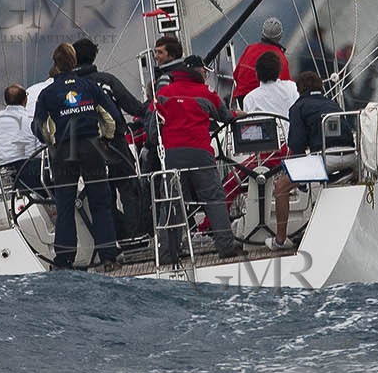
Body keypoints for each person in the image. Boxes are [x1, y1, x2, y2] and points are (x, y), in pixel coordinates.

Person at [33, 42, 123, 270]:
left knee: (64, 205)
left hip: (64, 152)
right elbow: (111, 118)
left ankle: (64, 260)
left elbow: (39, 127)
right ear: (74, 63)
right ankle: (109, 257)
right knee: (100, 203)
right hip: (92, 148)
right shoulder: (90, 86)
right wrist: (106, 140)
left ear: (56, 64)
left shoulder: (47, 93)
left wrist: (52, 143)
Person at [150, 54, 238, 262]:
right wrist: (237, 115)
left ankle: (166, 256)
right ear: (198, 71)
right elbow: (225, 116)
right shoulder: (205, 93)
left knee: (172, 204)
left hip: (172, 156)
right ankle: (226, 249)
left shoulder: (163, 93)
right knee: (214, 200)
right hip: (200, 154)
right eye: (205, 72)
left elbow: (152, 128)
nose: (206, 75)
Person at [72, 37, 148, 240]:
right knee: (128, 188)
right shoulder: (107, 80)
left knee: (101, 195)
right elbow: (134, 107)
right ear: (94, 56)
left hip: (86, 149)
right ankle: (136, 236)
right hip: (115, 144)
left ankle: (114, 238)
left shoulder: (69, 88)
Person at [268, 72, 348, 250]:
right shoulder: (333, 103)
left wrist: (293, 173)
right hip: (350, 157)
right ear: (321, 86)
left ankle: (280, 241)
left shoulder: (298, 107)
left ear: (299, 89)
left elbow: (296, 145)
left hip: (325, 160)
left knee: (281, 187)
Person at [0, 84, 45, 196]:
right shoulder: (31, 118)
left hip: (4, 171)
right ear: (25, 100)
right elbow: (42, 144)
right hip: (29, 170)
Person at [232, 18, 290, 102]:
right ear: (280, 36)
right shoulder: (280, 57)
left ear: (263, 33)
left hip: (242, 97)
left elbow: (236, 75)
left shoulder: (250, 49)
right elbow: (286, 85)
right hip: (265, 100)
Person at [241, 51, 299, 119]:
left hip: (266, 129)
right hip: (289, 129)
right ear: (279, 70)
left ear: (257, 73)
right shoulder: (292, 87)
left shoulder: (249, 99)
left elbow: (249, 127)